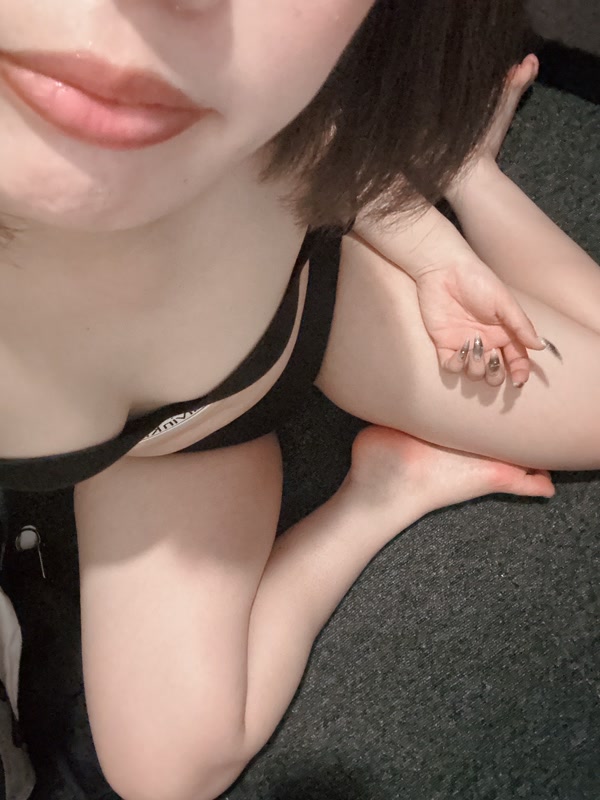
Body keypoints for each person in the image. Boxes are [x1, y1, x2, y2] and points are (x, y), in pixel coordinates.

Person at [0, 1, 597, 799]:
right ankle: (385, 488)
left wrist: (435, 252)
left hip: (318, 310)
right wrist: (375, 503)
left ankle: (461, 169)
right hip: (164, 452)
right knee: (167, 775)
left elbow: (300, 133)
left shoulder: (238, 94)